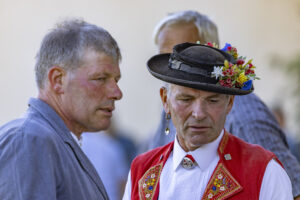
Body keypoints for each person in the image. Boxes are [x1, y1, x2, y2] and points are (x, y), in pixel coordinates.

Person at [145, 10, 300, 199]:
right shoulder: (171, 105)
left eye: (185, 53)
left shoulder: (244, 116)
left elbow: (291, 189)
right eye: (167, 56)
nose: (175, 66)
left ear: (211, 49)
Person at [0, 19, 122, 200]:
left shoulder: (54, 139)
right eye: (100, 79)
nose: (117, 93)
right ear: (58, 80)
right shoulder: (30, 139)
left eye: (116, 80)